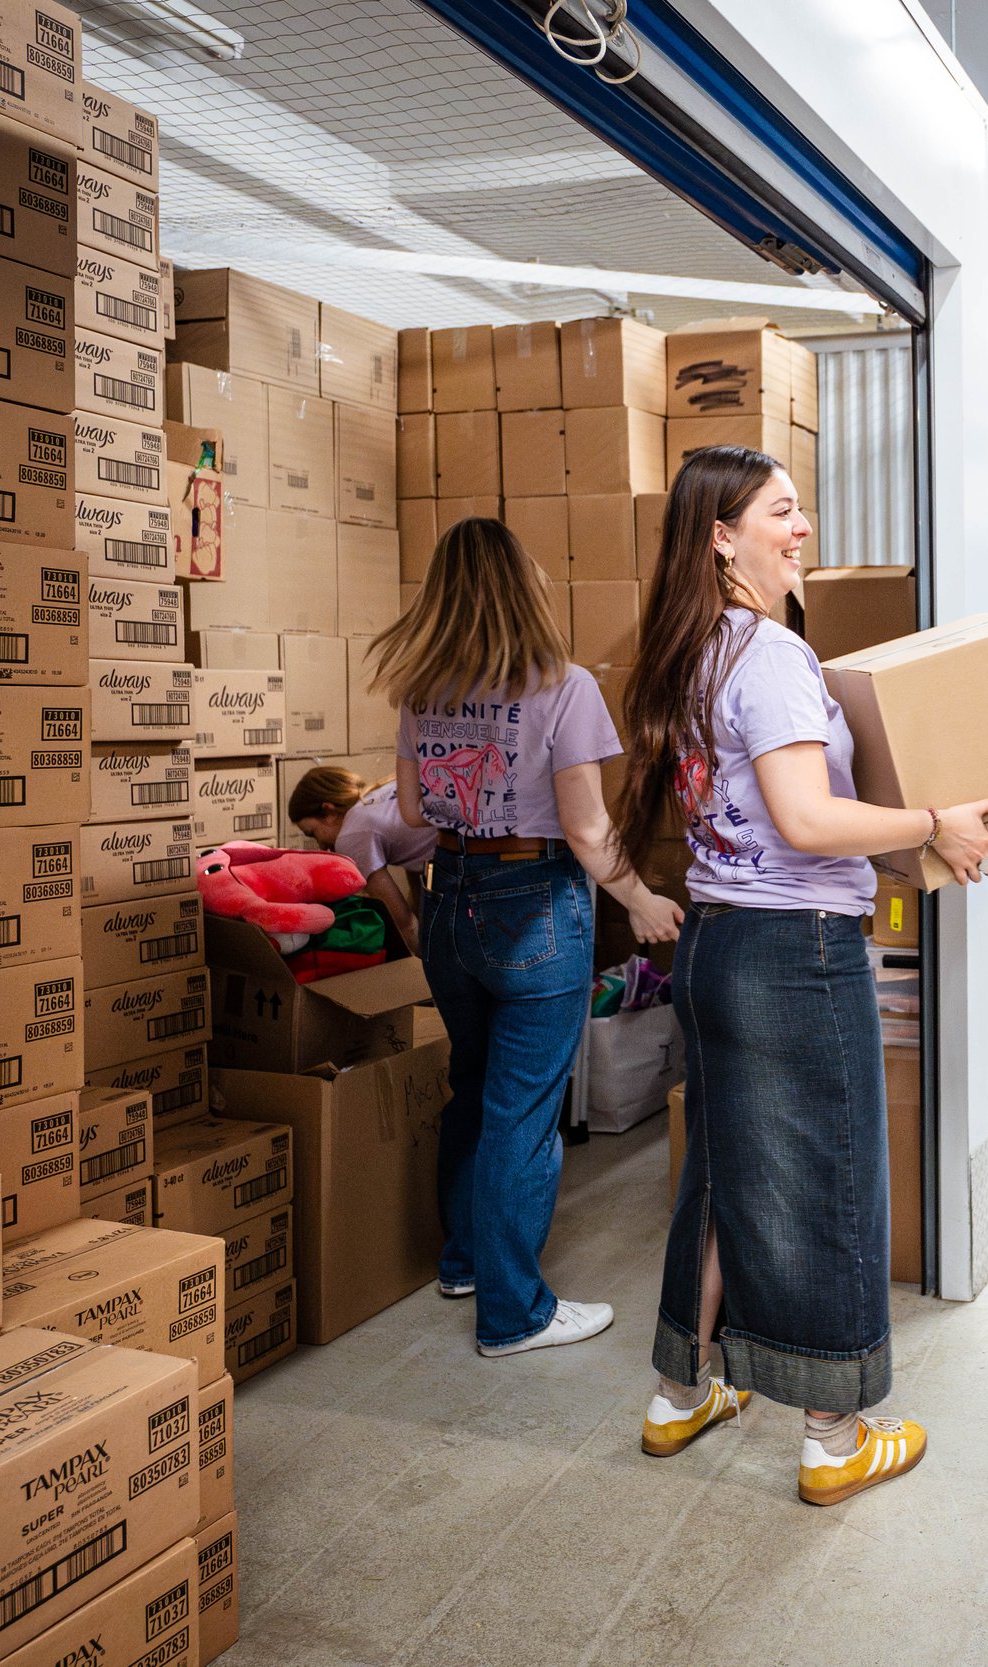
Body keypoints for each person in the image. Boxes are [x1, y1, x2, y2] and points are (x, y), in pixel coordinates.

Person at [617, 445, 988, 1506]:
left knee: (722, 1172)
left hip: (715, 941)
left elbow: (761, 815)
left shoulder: (692, 650)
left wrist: (914, 840)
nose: (802, 529)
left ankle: (677, 1392)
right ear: (721, 534)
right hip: (793, 954)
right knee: (825, 1178)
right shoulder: (772, 654)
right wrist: (936, 821)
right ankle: (837, 1436)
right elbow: (802, 819)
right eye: (782, 513)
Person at [366, 516, 684, 1358]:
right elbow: (585, 828)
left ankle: (466, 1261)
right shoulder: (563, 684)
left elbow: (407, 812)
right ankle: (514, 1313)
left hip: (449, 900)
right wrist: (643, 896)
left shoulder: (420, 688)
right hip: (534, 902)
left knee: (473, 1087)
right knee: (524, 1112)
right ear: (524, 586)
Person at [287, 764, 437, 954]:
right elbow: (417, 870)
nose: (322, 846)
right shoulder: (376, 797)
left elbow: (402, 922)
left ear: (329, 811)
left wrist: (415, 974)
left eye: (313, 832)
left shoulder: (351, 834)